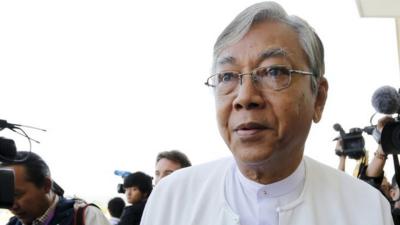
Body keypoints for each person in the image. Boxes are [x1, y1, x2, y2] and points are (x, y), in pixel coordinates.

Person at [140, 2, 393, 225]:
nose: (245, 97)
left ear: (318, 98)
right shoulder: (172, 199)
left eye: (273, 72)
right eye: (227, 76)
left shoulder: (366, 209)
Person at [1, 151, 110, 225]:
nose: (12, 206)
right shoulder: (13, 223)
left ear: (46, 185)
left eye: (17, 195)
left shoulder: (85, 216)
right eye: (7, 196)